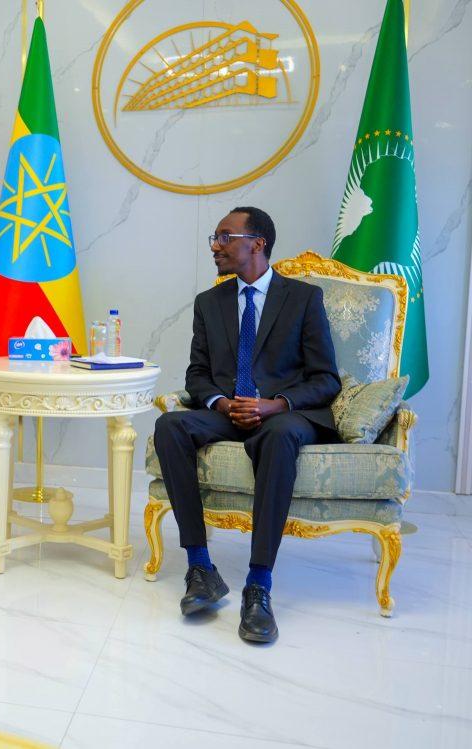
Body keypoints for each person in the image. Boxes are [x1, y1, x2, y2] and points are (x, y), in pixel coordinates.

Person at [152, 207, 341, 644]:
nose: (215, 247)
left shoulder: (303, 299)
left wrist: (275, 405)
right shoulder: (209, 303)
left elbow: (326, 379)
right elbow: (197, 375)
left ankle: (258, 585)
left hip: (281, 416)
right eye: (214, 238)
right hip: (228, 413)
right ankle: (200, 568)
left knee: (280, 436)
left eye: (225, 237)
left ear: (257, 244)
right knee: (170, 426)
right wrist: (221, 403)